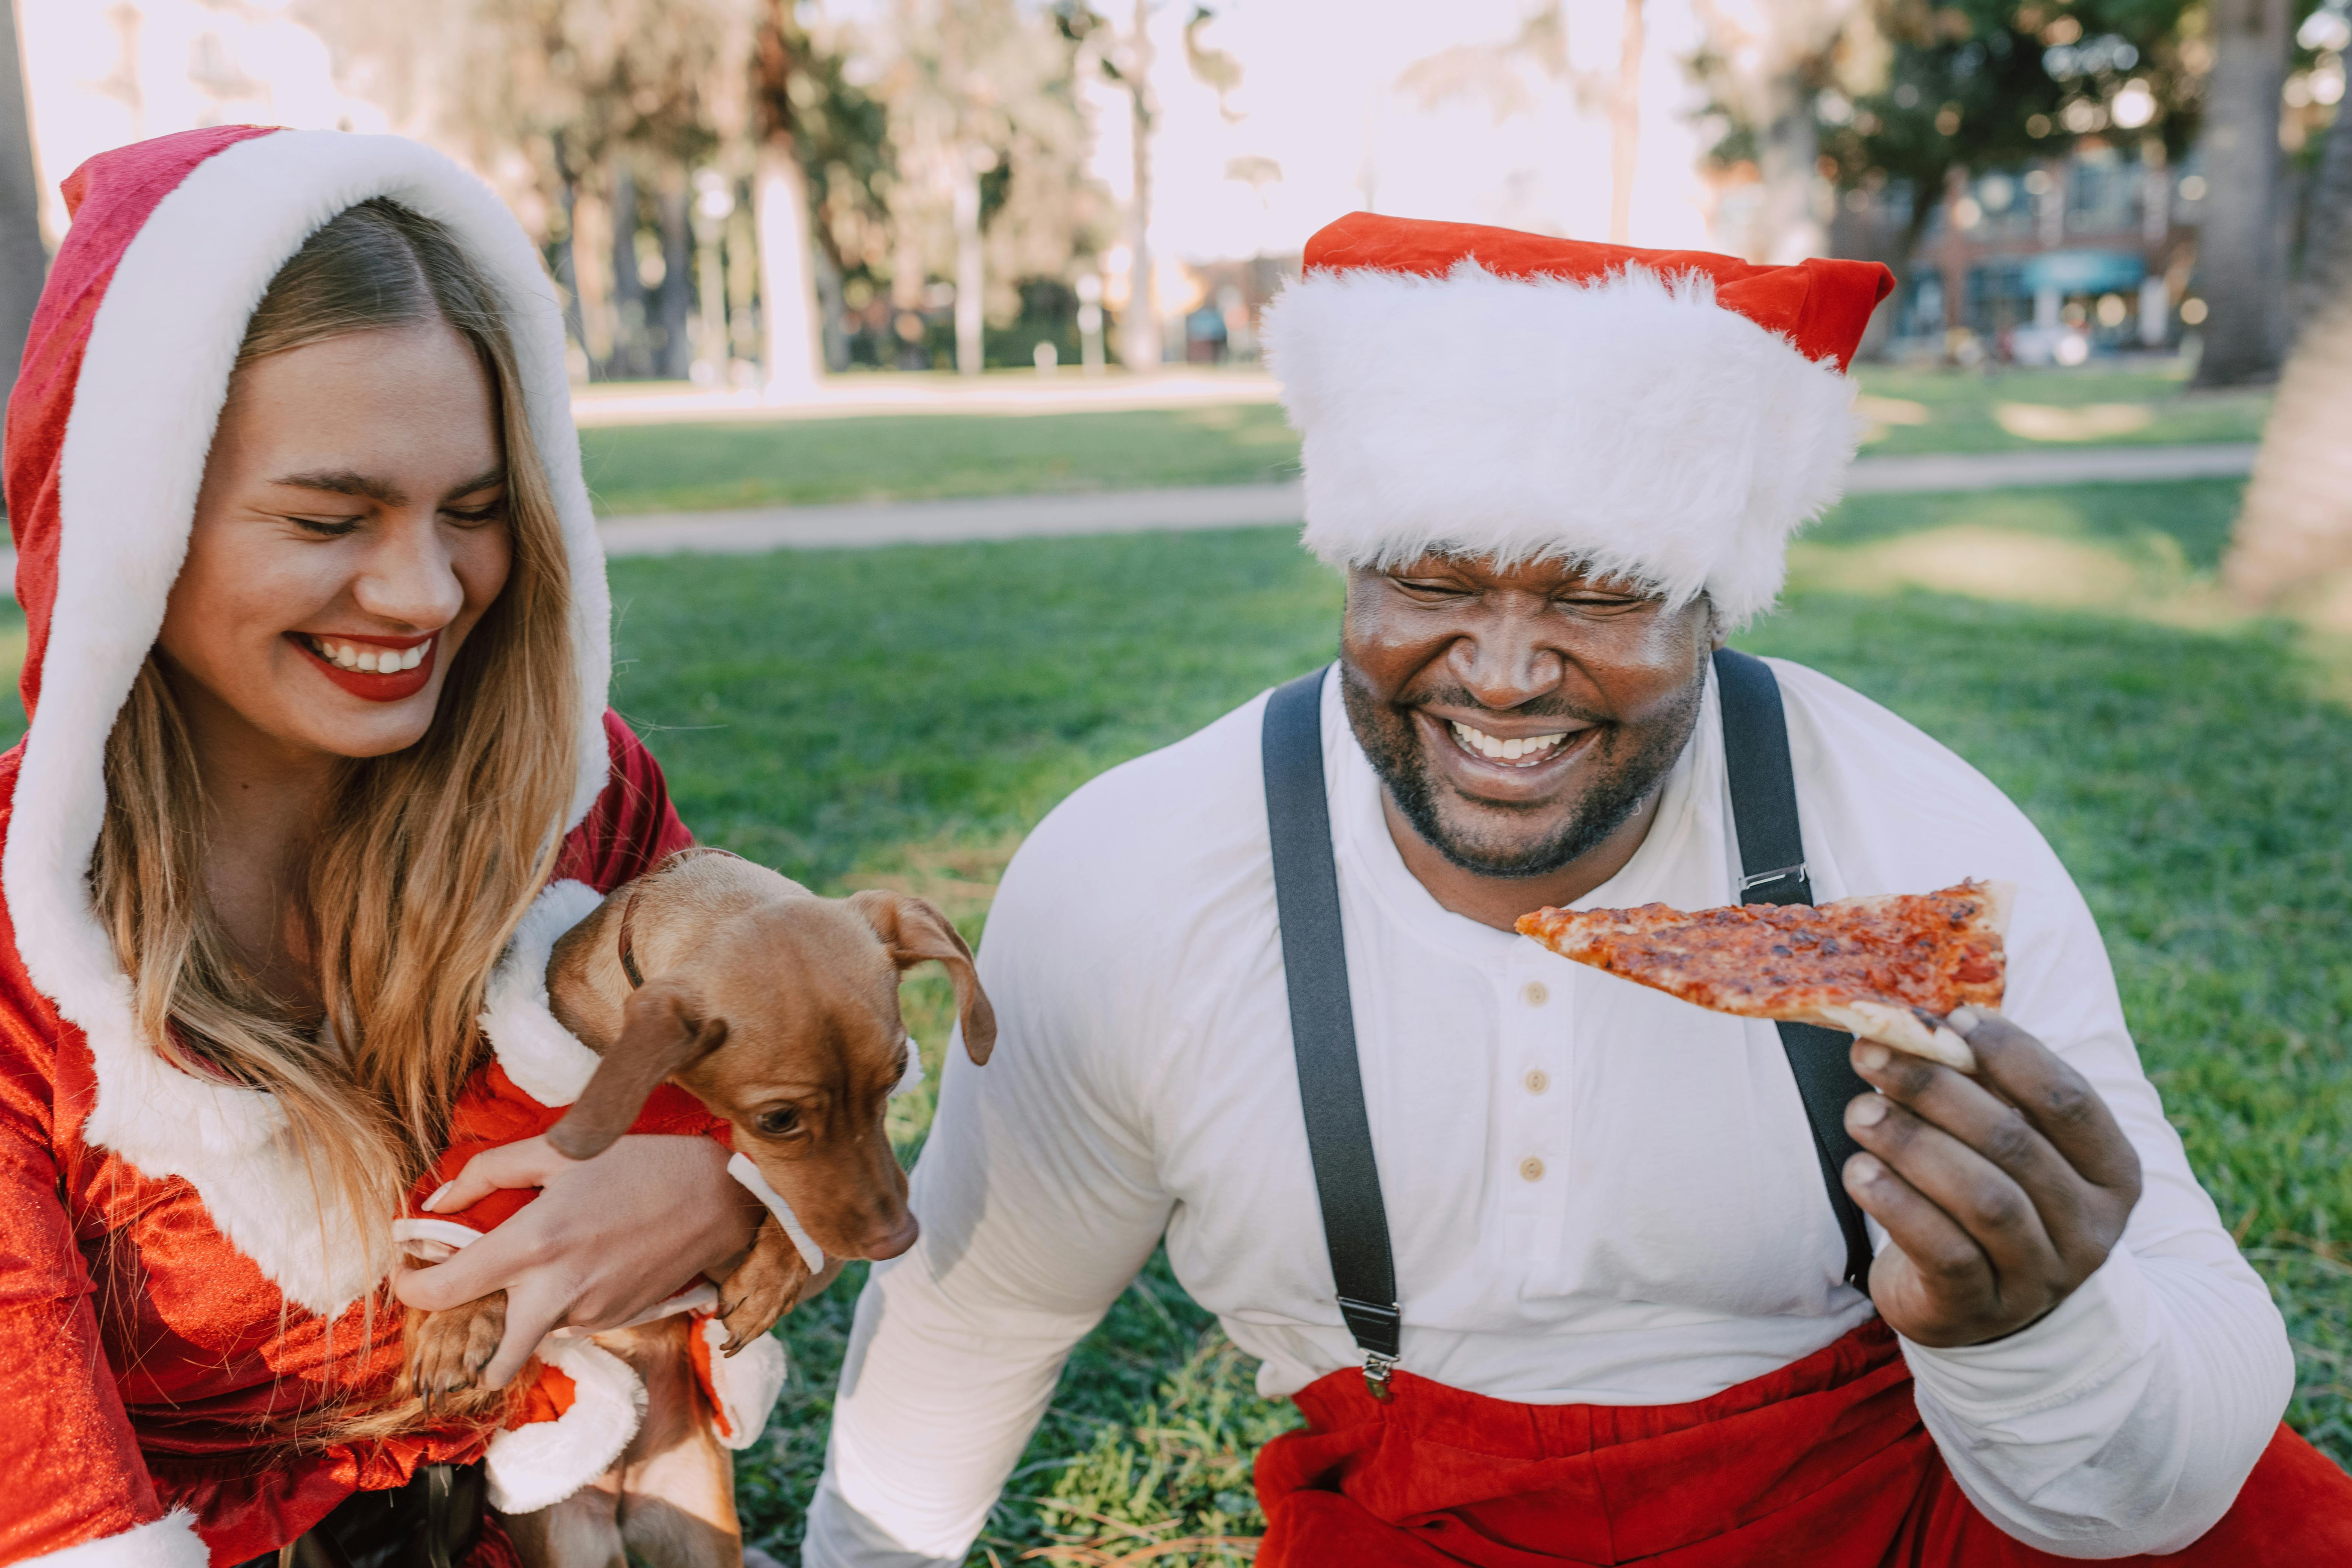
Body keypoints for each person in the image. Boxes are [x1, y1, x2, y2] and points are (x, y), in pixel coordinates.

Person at [804, 214, 2352, 1565]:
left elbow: (2177, 1436)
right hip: (1417, 1517)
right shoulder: (1138, 877)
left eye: (1598, 593)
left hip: (1892, 1480)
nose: (1500, 673)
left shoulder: (1916, 846)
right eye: (1427, 576)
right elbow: (983, 1308)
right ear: (1345, 565)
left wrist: (2034, 1334)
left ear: (1710, 604)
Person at [0, 127, 776, 1568]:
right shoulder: (13, 934)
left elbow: (780, 1075)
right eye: (327, 516)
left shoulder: (575, 798)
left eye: (476, 511)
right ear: (131, 525)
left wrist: (724, 1184)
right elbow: (43, 1493)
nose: (426, 591)